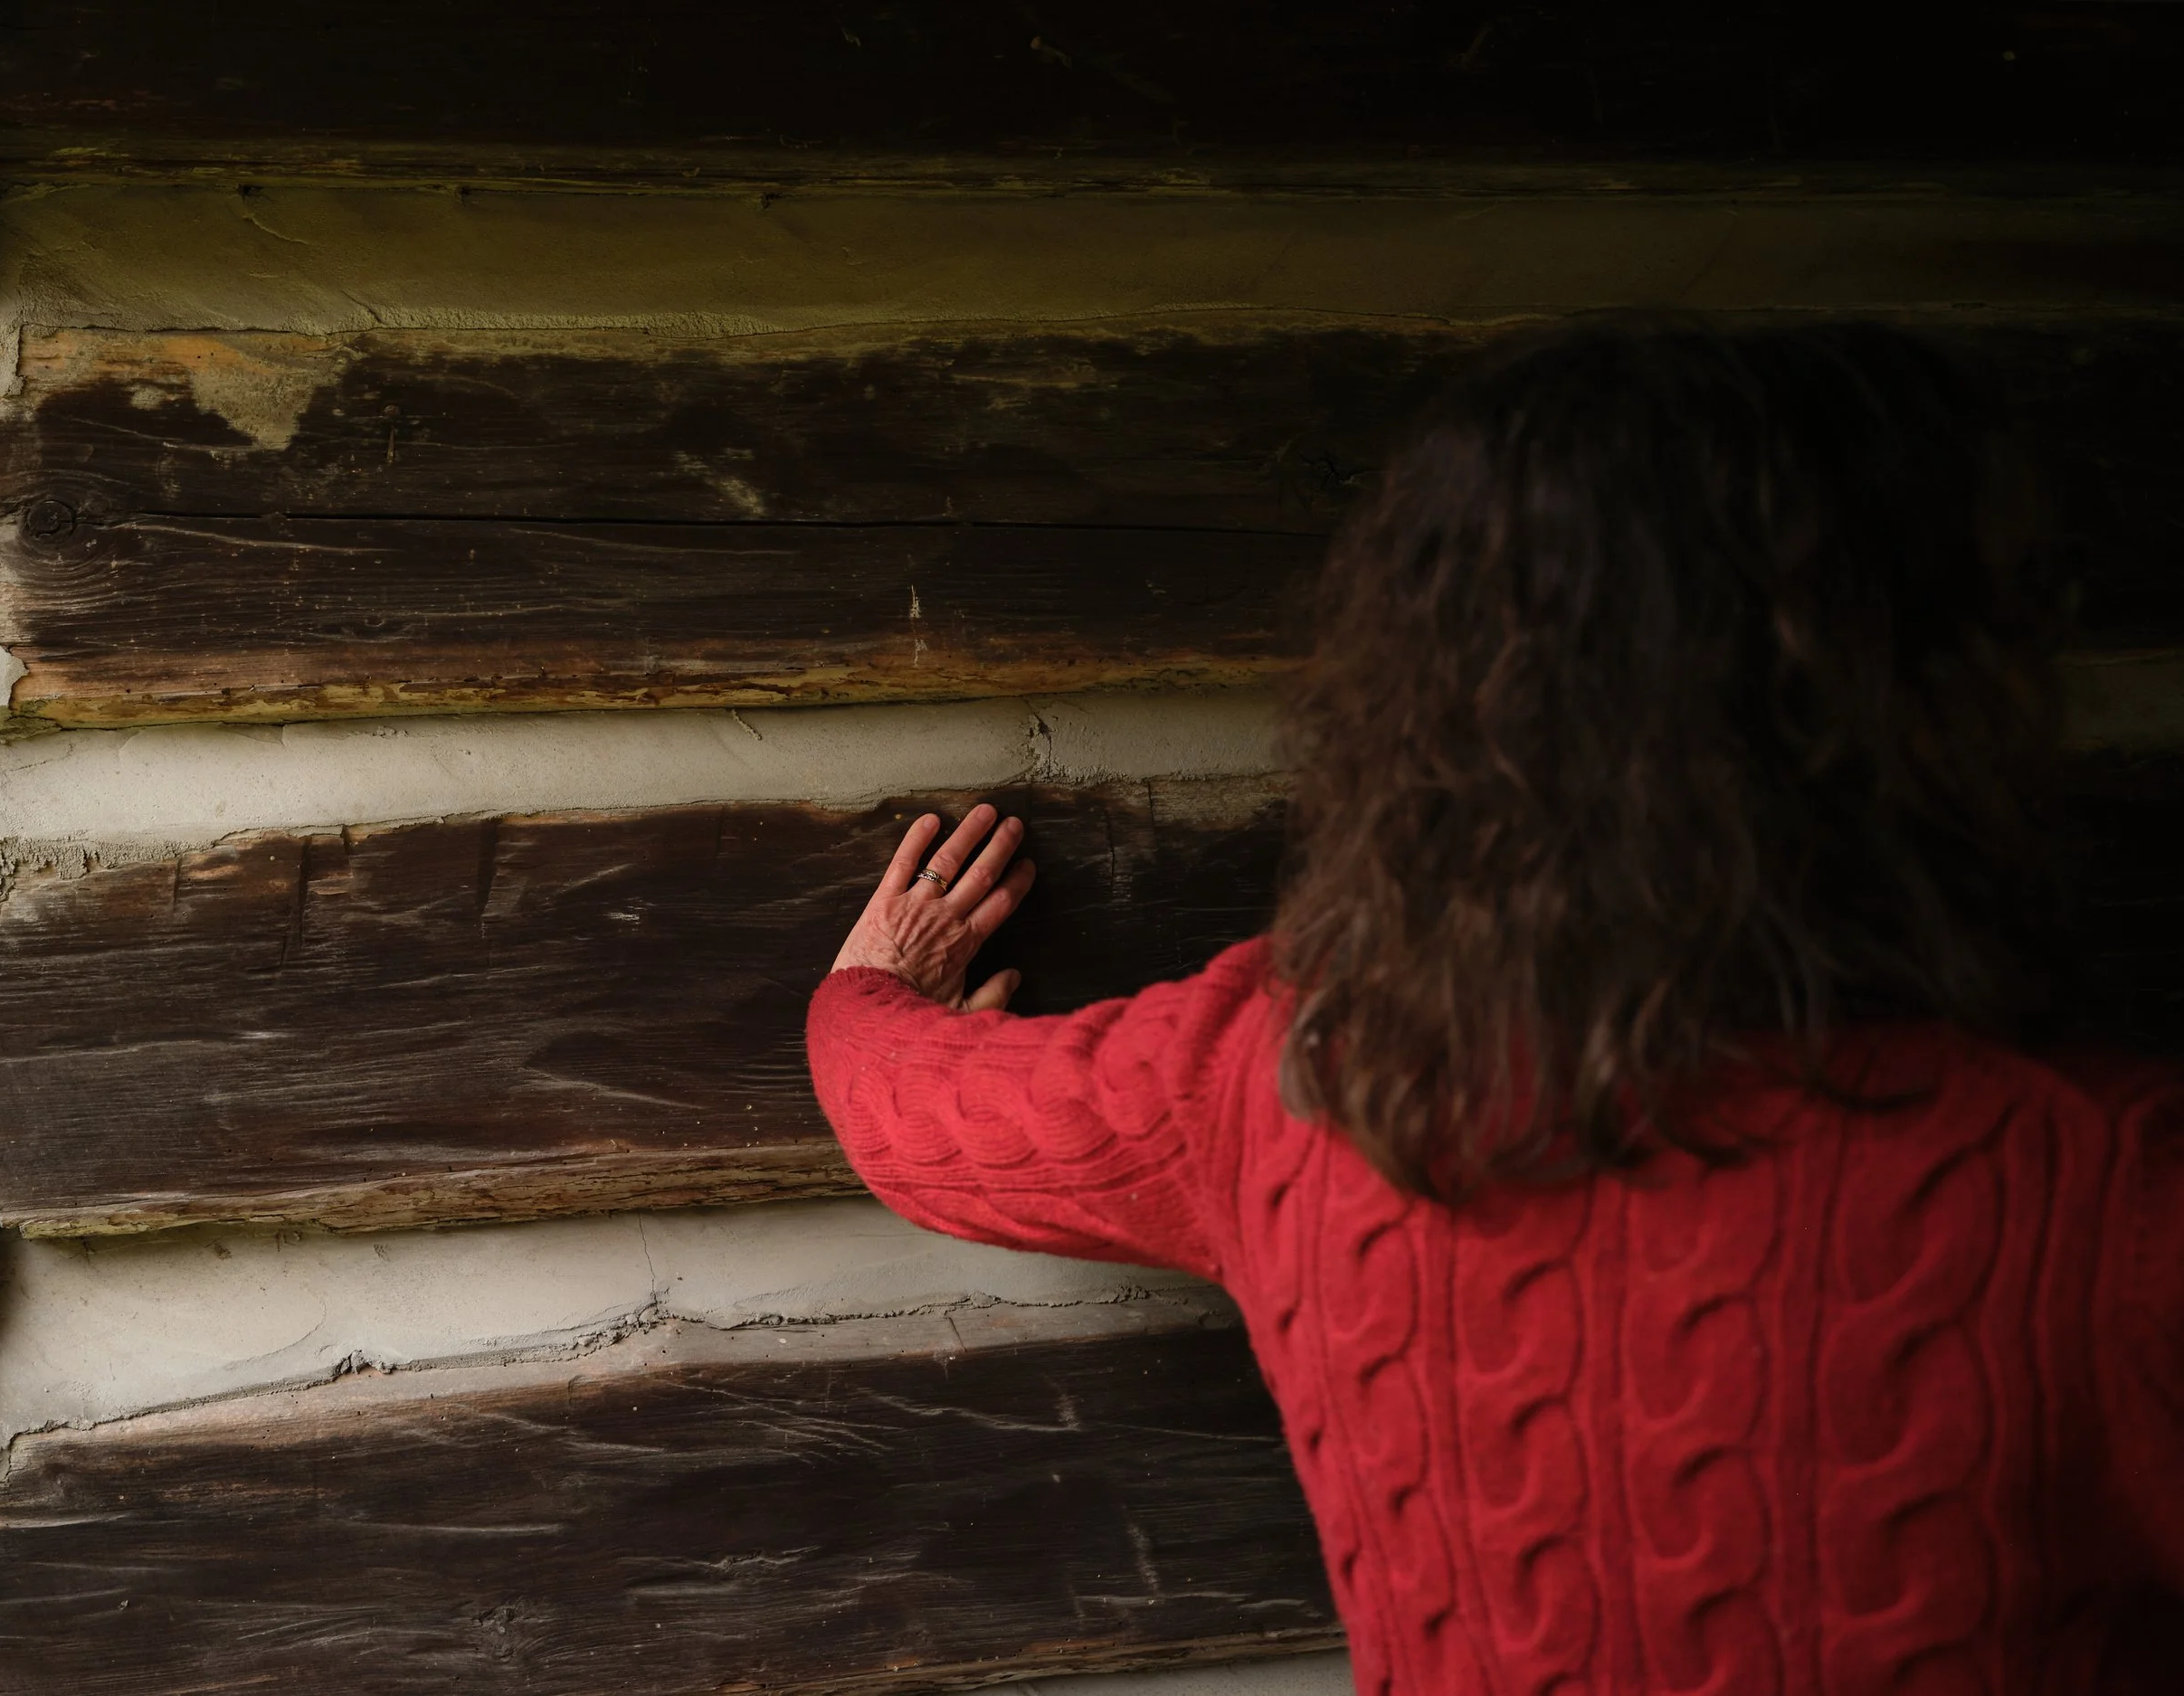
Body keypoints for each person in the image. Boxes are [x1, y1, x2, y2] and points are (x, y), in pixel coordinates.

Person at [806, 316, 2184, 1693]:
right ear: (1907, 699)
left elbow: (910, 1110)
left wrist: (871, 987)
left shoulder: (1276, 1076)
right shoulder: (2106, 1198)